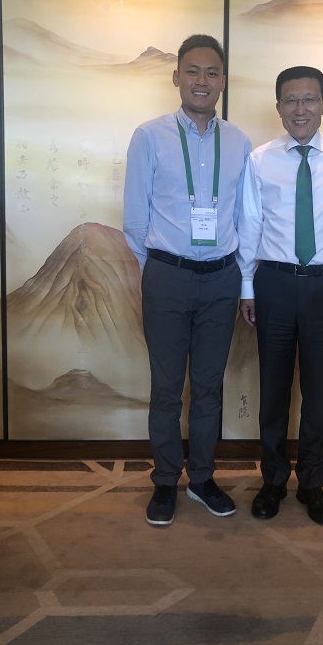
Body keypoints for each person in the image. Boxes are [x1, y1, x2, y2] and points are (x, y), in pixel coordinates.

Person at [237, 65, 323, 526]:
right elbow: (250, 225)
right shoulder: (260, 160)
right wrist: (246, 286)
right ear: (278, 106)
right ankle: (274, 480)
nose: (301, 109)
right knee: (274, 392)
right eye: (291, 100)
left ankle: (313, 484)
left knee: (318, 394)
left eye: (310, 99)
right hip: (274, 284)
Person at [123, 34, 251, 526]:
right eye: (193, 71)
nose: (202, 80)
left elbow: (243, 217)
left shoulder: (239, 142)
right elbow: (136, 218)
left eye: (212, 72)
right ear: (176, 77)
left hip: (221, 279)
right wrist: (160, 269)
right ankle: (164, 481)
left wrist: (239, 277)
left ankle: (201, 478)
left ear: (223, 81)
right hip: (168, 276)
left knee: (209, 386)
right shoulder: (149, 136)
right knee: (166, 388)